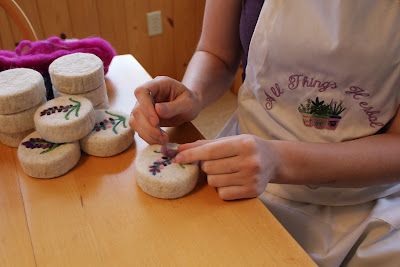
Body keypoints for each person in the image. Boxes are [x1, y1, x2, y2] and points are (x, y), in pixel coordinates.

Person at [130, 1, 400, 266]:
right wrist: (192, 94)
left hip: (369, 205)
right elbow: (217, 54)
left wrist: (279, 160)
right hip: (242, 179)